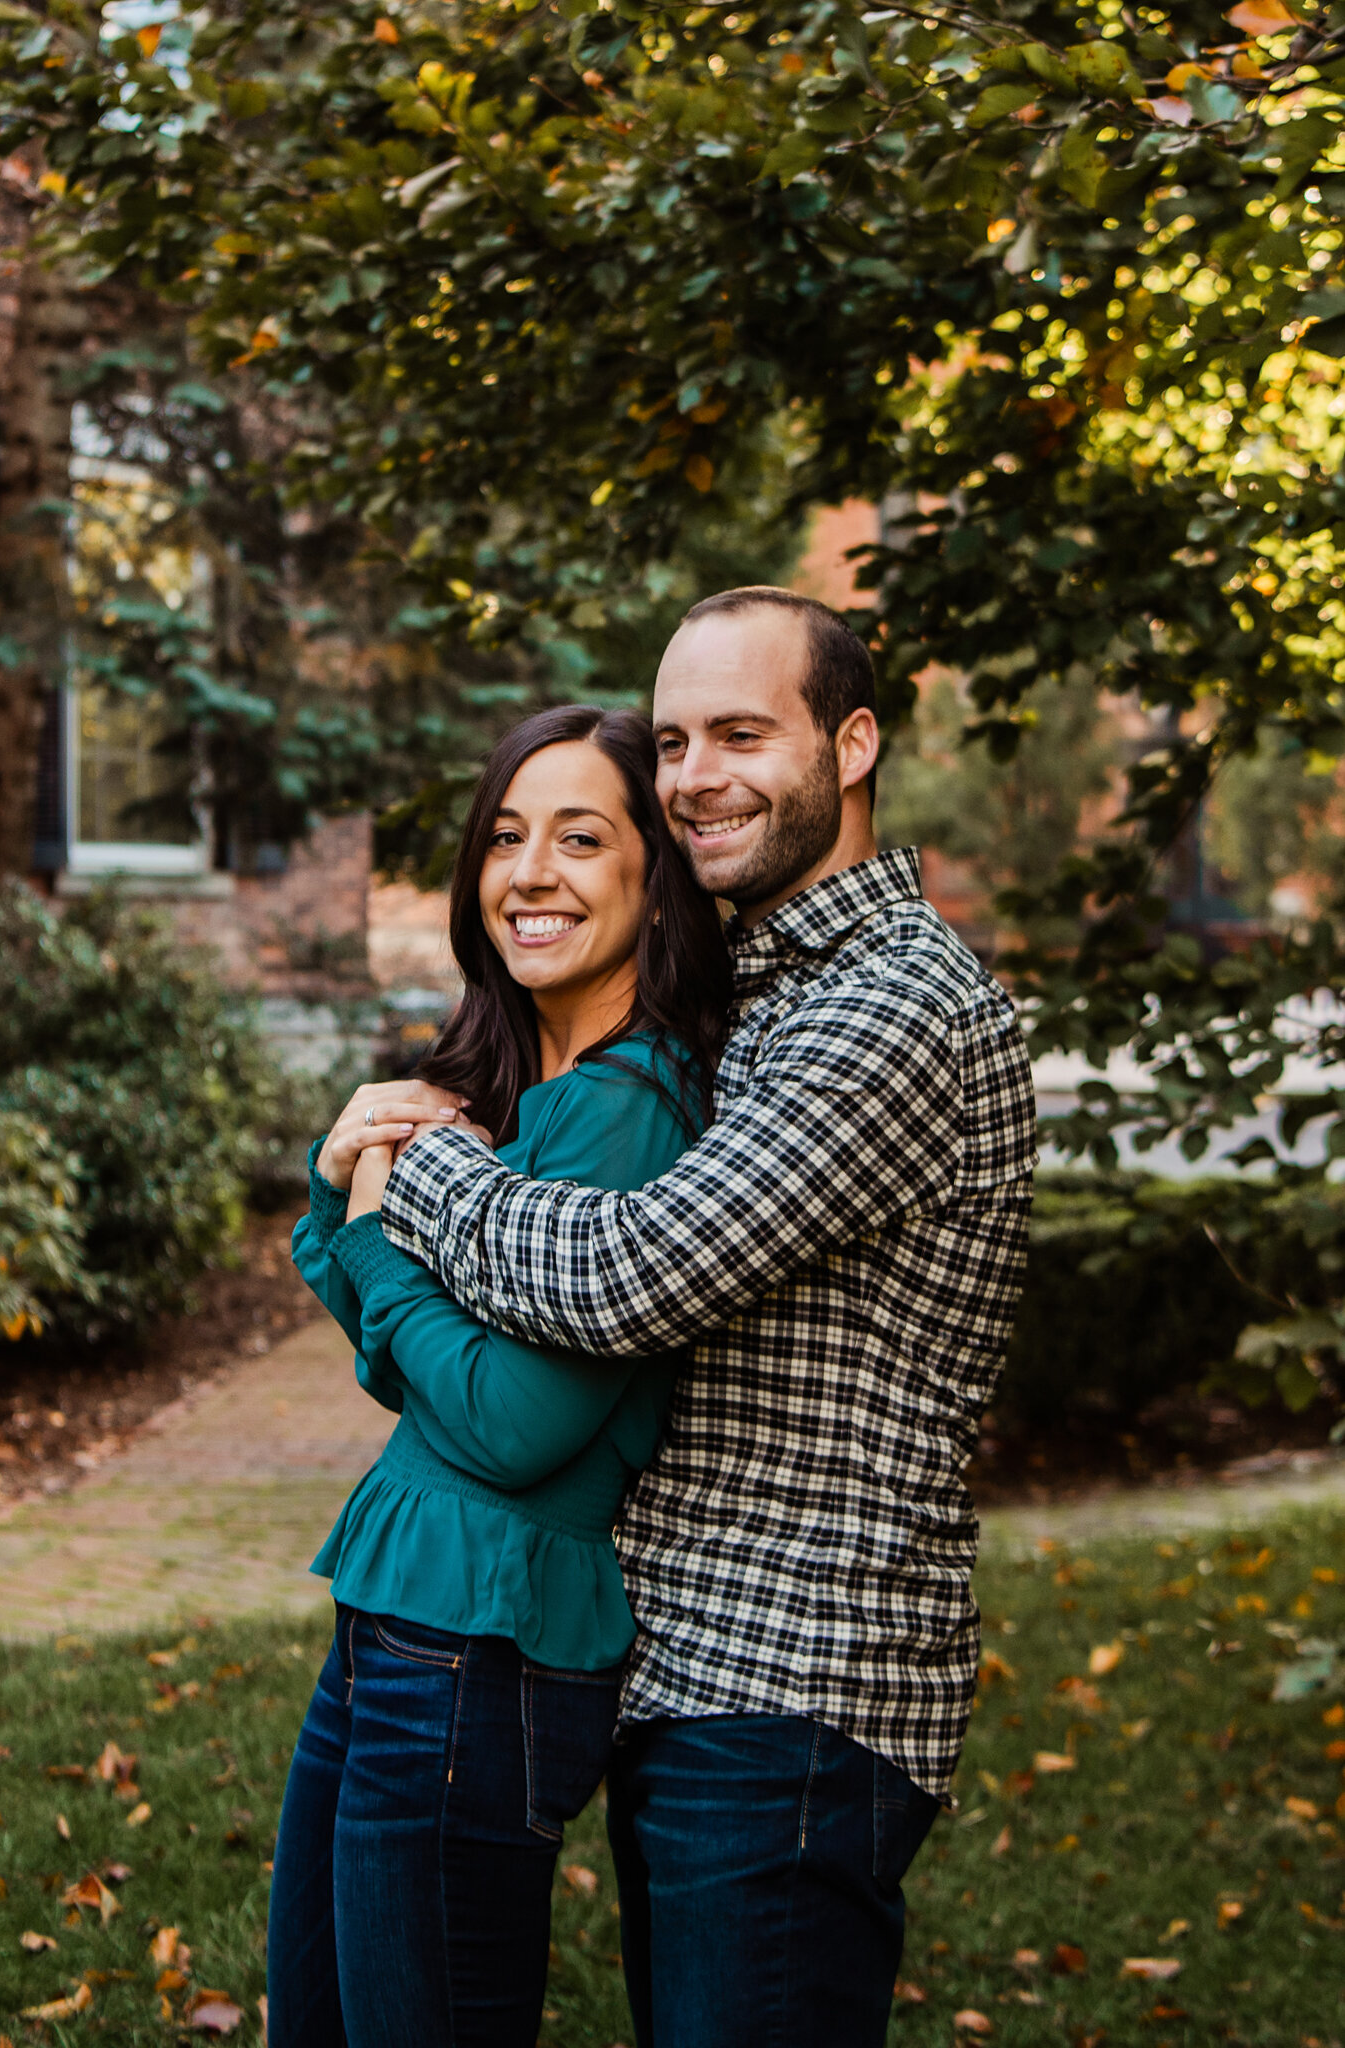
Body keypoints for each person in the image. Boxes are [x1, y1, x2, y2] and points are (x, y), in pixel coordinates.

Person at [378, 588, 1038, 2048]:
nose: (693, 777)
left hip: (802, 1676)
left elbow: (629, 1277)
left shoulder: (891, 1005)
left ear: (852, 744)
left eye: (743, 733)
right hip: (691, 1669)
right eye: (673, 742)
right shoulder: (753, 984)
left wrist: (421, 1167)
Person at [266, 705, 731, 2048]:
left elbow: (513, 1424)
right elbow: (409, 1376)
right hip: (404, 1629)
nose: (530, 873)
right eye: (507, 837)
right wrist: (342, 1170)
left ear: (656, 877)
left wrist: (376, 1228)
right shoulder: (532, 1089)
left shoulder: (626, 1104)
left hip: (480, 1653)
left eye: (582, 838)